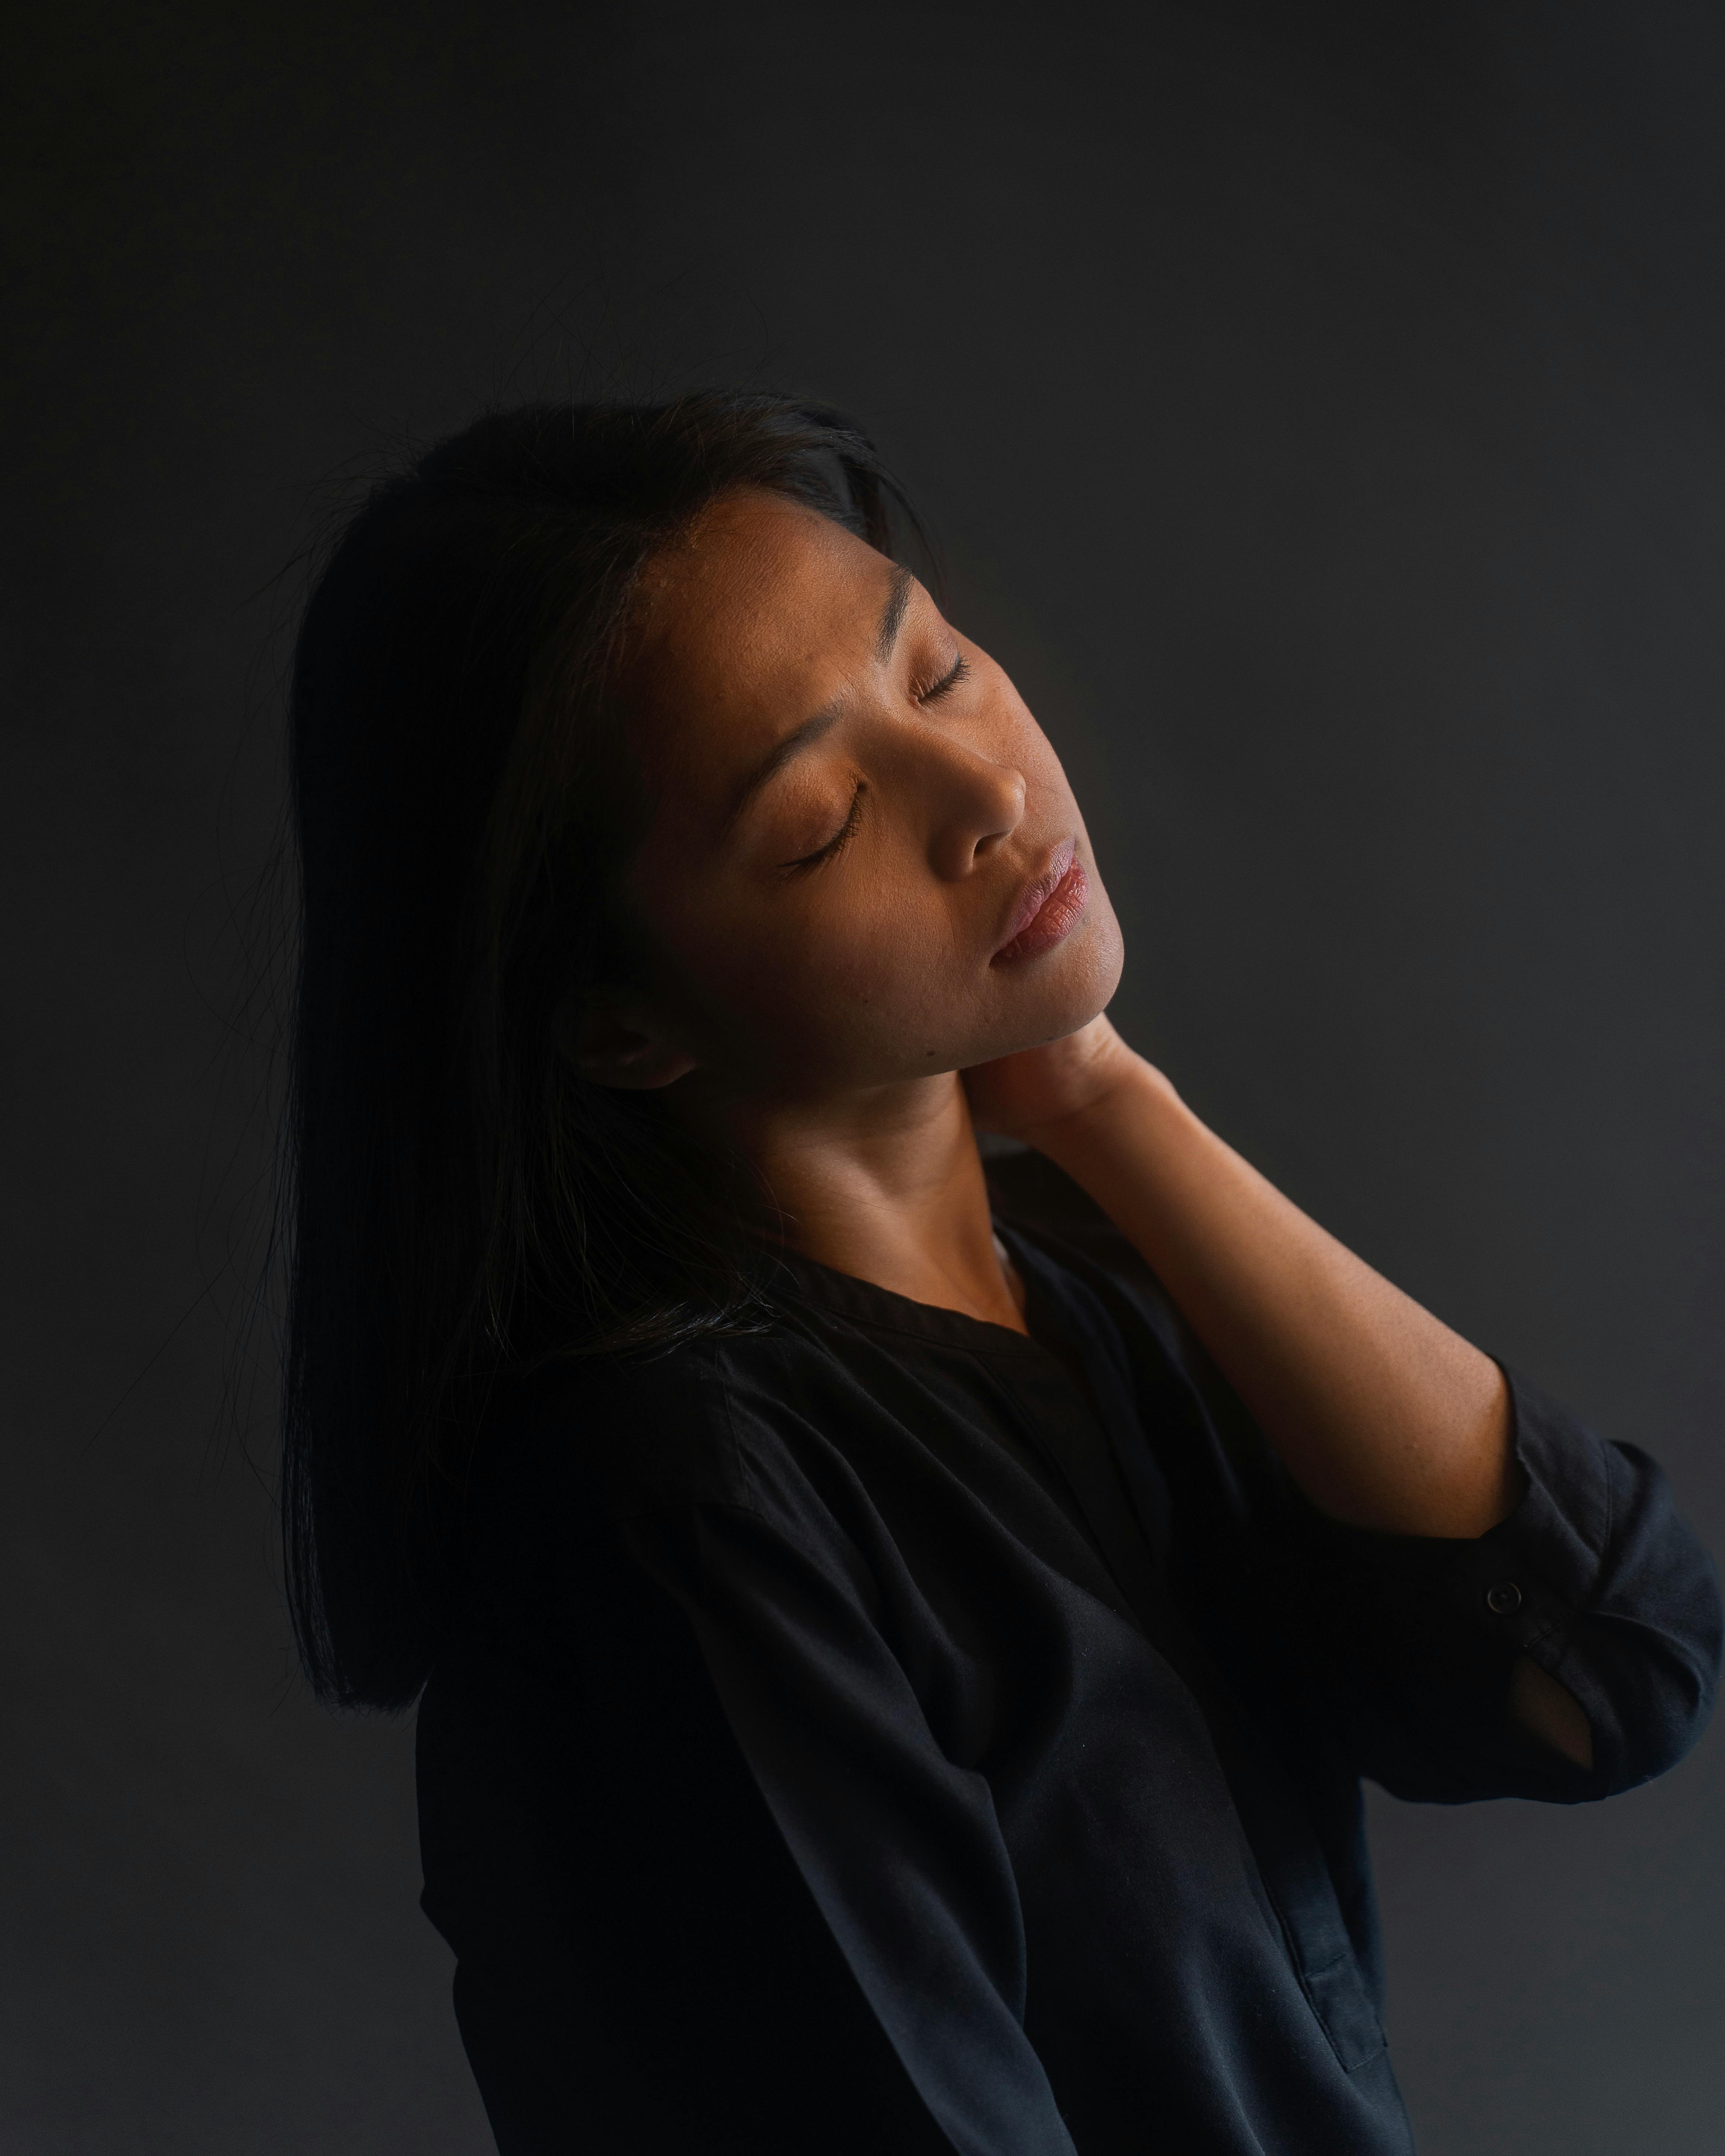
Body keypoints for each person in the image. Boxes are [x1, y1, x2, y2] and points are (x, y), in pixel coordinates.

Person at [281, 394, 1721, 2155]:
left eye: (941, 670)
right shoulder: (664, 1510)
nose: (989, 794)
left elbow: (1611, 1674)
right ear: (618, 1021)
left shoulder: (1103, 1297)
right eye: (821, 818)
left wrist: (1107, 1098)